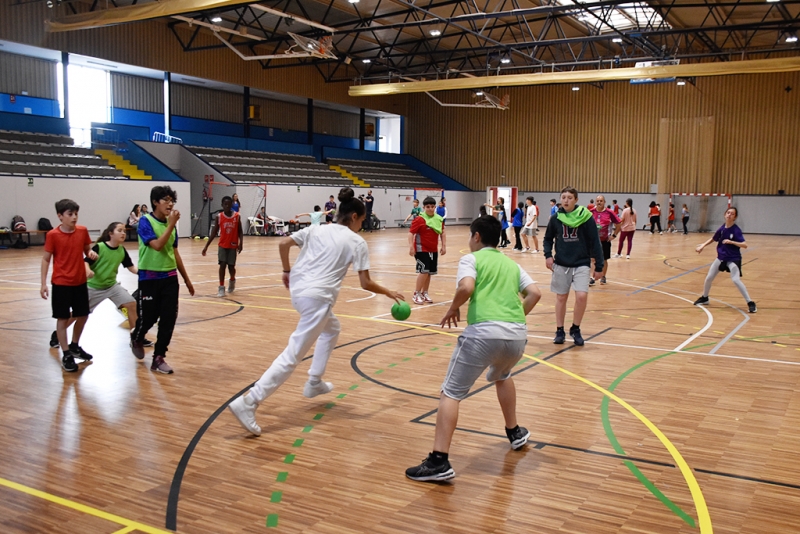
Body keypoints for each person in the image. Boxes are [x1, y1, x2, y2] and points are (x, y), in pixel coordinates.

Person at [227, 188, 404, 437]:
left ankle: (314, 381)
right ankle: (249, 402)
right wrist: (389, 292)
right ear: (354, 216)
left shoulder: (317, 228)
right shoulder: (356, 242)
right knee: (292, 355)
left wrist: (287, 270)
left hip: (299, 292)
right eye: (362, 220)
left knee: (332, 329)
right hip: (318, 299)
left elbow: (283, 242)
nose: (362, 225)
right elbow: (366, 283)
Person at [405, 215, 541, 482]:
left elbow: (467, 286)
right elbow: (535, 293)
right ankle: (514, 432)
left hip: (483, 334)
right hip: (516, 337)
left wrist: (454, 307)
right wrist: (516, 318)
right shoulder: (511, 264)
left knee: (451, 393)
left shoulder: (472, 259)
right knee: (503, 375)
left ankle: (438, 461)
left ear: (476, 237)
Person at [130, 186, 195, 374]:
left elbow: (174, 252)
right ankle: (138, 336)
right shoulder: (145, 221)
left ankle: (159, 357)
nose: (170, 204)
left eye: (172, 200)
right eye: (166, 200)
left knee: (168, 318)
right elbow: (157, 246)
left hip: (169, 277)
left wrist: (187, 279)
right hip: (149, 278)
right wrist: (170, 225)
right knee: (149, 317)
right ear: (155, 202)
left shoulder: (170, 224)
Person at [41, 199, 97, 372]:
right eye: (70, 214)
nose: (74, 217)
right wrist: (43, 283)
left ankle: (74, 345)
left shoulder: (82, 231)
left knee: (83, 315)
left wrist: (90, 252)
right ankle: (66, 353)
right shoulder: (53, 235)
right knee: (62, 318)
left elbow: (87, 249)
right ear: (60, 216)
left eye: (76, 214)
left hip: (80, 282)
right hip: (61, 283)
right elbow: (45, 259)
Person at [543, 187, 604, 346]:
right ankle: (559, 330)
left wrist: (599, 265)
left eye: (570, 197)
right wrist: (548, 255)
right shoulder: (555, 218)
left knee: (581, 296)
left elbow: (595, 242)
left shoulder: (586, 217)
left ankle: (575, 328)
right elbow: (548, 239)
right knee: (561, 297)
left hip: (581, 263)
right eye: (563, 197)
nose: (566, 200)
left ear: (576, 200)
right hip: (561, 263)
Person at [70, 222, 143, 343]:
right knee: (78, 314)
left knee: (131, 304)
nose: (123, 233)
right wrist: (88, 271)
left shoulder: (121, 250)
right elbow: (85, 261)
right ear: (110, 233)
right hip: (93, 287)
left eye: (124, 231)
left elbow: (131, 267)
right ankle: (58, 333)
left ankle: (136, 337)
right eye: (119, 230)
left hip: (111, 286)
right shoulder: (99, 247)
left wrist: (144, 273)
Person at [693, 207, 756, 313]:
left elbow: (745, 245)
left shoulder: (736, 230)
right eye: (728, 213)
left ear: (735, 217)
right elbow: (713, 238)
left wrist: (732, 242)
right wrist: (702, 246)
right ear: (725, 214)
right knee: (709, 278)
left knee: (735, 280)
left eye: (732, 214)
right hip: (721, 258)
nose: (729, 215)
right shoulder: (722, 228)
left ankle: (750, 302)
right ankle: (705, 297)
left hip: (733, 259)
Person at [202, 195, 244, 297]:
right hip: (222, 245)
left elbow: (240, 231)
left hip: (233, 245)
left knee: (231, 267)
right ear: (222, 205)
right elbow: (214, 232)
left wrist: (241, 243)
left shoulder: (237, 216)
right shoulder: (219, 217)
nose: (227, 206)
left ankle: (232, 280)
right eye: (225, 204)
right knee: (222, 265)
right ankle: (221, 287)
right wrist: (206, 246)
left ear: (231, 205)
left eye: (229, 204)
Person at [409, 196, 446, 305]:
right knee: (424, 271)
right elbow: (411, 233)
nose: (430, 209)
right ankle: (416, 293)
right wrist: (411, 246)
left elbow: (442, 232)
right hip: (421, 249)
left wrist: (444, 246)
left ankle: (424, 292)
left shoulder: (439, 219)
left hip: (433, 249)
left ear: (435, 207)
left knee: (429, 272)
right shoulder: (419, 219)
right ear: (424, 207)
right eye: (428, 207)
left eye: (432, 206)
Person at [590, 195, 620, 285]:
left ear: (604, 202)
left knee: (604, 259)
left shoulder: (609, 212)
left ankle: (603, 276)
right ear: (595, 202)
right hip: (594, 240)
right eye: (597, 200)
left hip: (605, 240)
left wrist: (614, 235)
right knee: (592, 259)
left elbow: (618, 224)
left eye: (601, 201)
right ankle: (592, 277)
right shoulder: (590, 212)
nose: (599, 202)